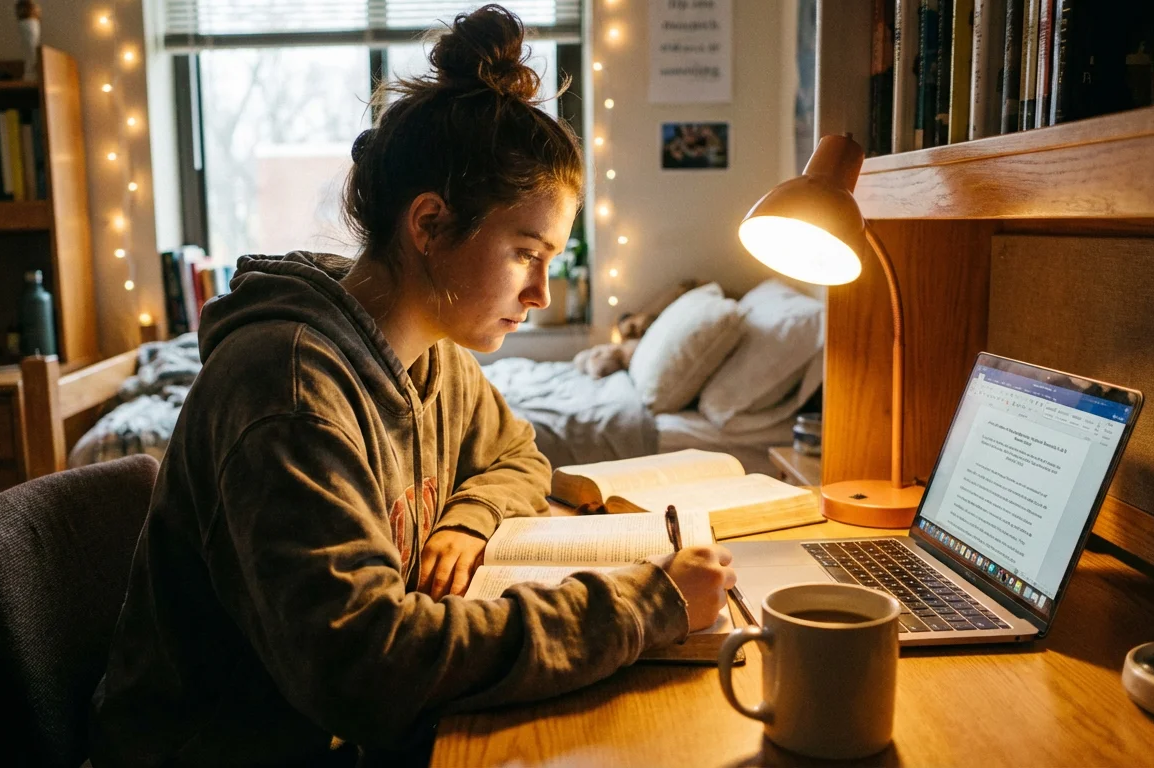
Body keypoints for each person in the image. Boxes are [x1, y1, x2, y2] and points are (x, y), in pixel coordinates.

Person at [89, 5, 736, 765]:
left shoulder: (432, 356)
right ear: (428, 225)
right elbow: (367, 667)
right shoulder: (289, 394)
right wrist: (645, 604)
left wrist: (467, 517)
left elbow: (518, 457)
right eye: (527, 253)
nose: (541, 296)